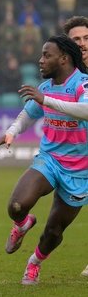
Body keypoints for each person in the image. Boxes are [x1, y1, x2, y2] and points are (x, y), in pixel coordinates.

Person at [0, 34, 88, 285]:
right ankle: (22, 224)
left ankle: (34, 262)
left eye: (47, 55)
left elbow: (87, 110)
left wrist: (47, 101)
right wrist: (11, 132)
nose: (40, 60)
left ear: (64, 58)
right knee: (16, 206)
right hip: (50, 160)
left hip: (80, 171)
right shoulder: (45, 88)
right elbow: (27, 114)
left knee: (54, 232)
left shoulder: (82, 84)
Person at [61, 15, 88, 277]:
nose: (83, 44)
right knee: (62, 215)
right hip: (75, 153)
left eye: (87, 38)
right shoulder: (66, 73)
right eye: (76, 39)